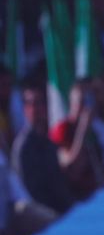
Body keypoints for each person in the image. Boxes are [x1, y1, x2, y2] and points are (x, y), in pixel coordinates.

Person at [10, 84, 75, 215]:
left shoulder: (49, 143)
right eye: (31, 104)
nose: (37, 108)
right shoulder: (23, 147)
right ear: (25, 109)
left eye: (40, 103)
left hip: (61, 210)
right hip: (42, 215)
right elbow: (30, 193)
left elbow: (58, 183)